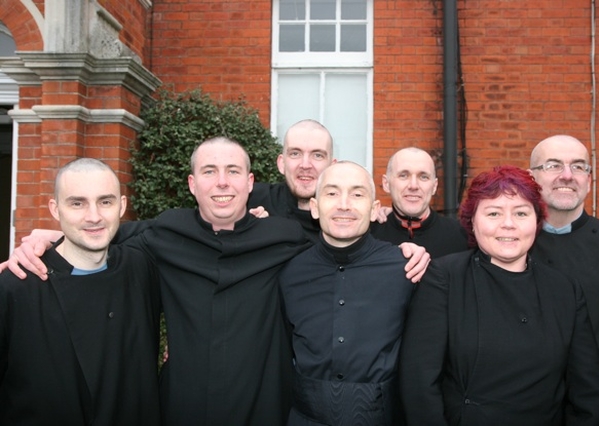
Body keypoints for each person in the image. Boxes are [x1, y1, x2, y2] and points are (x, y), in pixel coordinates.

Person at [1, 138, 428, 425]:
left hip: (266, 407)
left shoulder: (285, 237)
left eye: (232, 171)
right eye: (208, 171)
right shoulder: (162, 233)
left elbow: (342, 252)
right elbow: (97, 232)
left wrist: (403, 250)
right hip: (180, 408)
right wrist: (46, 237)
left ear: (250, 183)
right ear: (192, 184)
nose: (221, 182)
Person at [400, 165, 599, 426]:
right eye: (494, 213)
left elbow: (588, 392)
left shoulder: (564, 290)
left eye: (521, 213)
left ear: (537, 221)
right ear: (473, 223)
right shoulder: (444, 278)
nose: (508, 224)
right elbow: (419, 382)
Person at [0, 158, 161, 424]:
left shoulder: (143, 268)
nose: (94, 216)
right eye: (77, 203)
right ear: (55, 209)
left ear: (121, 206)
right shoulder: (16, 286)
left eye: (105, 202)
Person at [279, 161, 414, 425]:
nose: (344, 204)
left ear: (375, 210)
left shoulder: (406, 270)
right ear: (315, 208)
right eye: (331, 193)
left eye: (357, 194)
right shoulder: (289, 272)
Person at [528, 134, 599, 425]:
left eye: (579, 167)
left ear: (589, 180)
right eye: (553, 166)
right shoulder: (507, 245)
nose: (567, 176)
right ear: (531, 178)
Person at [370, 147, 468, 257]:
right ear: (386, 183)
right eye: (403, 175)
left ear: (434, 186)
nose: (413, 186)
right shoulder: (368, 235)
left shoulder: (461, 236)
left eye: (423, 177)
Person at [248, 119, 334, 242]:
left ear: (332, 167)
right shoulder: (250, 200)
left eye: (317, 155)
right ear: (281, 163)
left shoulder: (349, 217)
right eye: (295, 154)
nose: (305, 165)